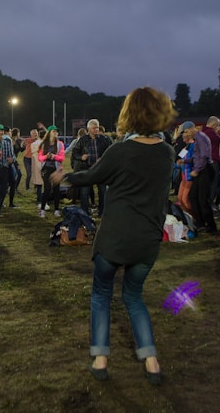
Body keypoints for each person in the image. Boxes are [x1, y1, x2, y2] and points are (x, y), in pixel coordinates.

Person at [52, 86, 176, 385]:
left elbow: (92, 176)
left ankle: (100, 357)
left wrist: (64, 176)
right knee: (134, 297)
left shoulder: (121, 150)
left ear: (129, 113)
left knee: (101, 295)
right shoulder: (167, 152)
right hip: (147, 240)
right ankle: (151, 361)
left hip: (115, 238)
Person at [180, 121, 217, 234]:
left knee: (202, 199)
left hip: (204, 170)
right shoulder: (197, 139)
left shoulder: (200, 138)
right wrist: (185, 161)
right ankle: (200, 222)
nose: (186, 134)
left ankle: (210, 225)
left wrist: (196, 170)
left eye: (186, 131)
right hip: (200, 170)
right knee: (193, 196)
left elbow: (204, 156)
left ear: (192, 129)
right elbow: (197, 157)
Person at [72, 119, 113, 217]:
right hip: (87, 170)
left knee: (103, 192)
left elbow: (111, 151)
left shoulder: (104, 139)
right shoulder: (83, 140)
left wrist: (103, 158)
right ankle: (84, 213)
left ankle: (102, 212)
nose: (96, 130)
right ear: (89, 129)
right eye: (94, 128)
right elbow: (75, 152)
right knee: (84, 192)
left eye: (97, 128)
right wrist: (81, 157)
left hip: (100, 170)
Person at [38, 126, 65, 218]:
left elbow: (62, 158)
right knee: (47, 188)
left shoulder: (60, 144)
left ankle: (56, 209)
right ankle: (42, 209)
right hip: (46, 168)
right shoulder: (44, 144)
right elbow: (40, 158)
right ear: (49, 132)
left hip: (56, 169)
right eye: (54, 131)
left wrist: (54, 157)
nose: (56, 133)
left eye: (57, 131)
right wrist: (46, 156)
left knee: (56, 189)